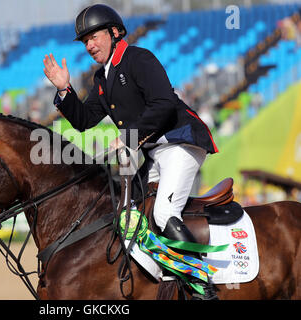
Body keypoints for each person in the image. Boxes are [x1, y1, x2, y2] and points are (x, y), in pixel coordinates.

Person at [43, 4, 218, 300]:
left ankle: (203, 286)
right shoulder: (102, 79)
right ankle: (159, 280)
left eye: (94, 37)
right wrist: (64, 90)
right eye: (84, 41)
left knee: (163, 213)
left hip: (180, 143)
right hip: (155, 153)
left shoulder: (139, 59)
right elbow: (84, 121)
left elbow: (163, 103)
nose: (89, 45)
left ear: (114, 33)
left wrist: (128, 136)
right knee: (125, 215)